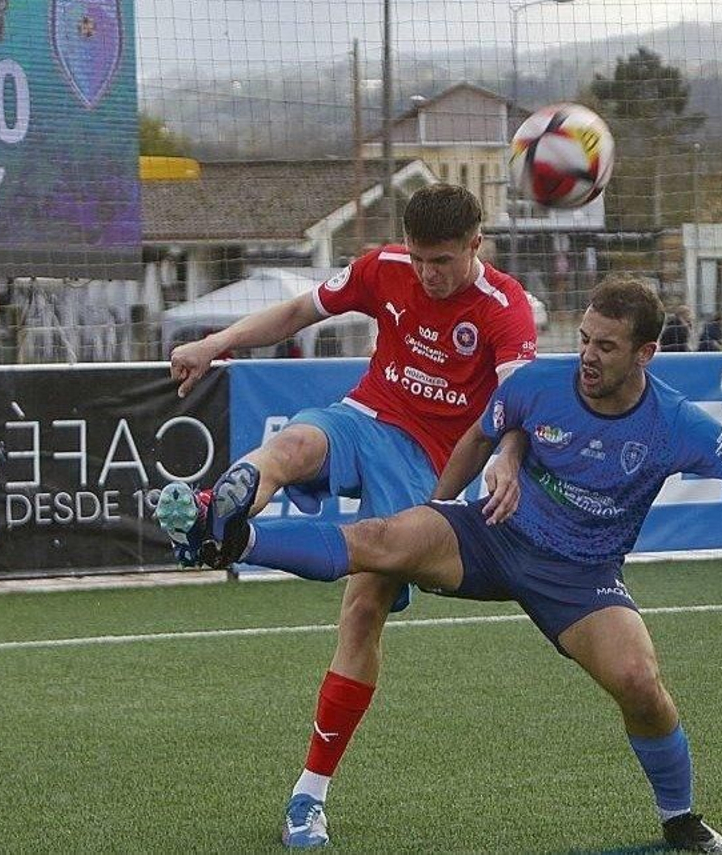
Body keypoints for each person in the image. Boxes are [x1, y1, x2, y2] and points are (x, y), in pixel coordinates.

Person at [169, 276, 722, 852]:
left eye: (607, 346)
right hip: (492, 536)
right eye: (585, 339)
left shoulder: (678, 422)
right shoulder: (538, 382)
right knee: (382, 543)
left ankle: (679, 816)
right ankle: (231, 541)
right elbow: (480, 436)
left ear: (646, 354)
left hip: (582, 576)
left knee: (640, 683)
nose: (588, 356)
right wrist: (437, 507)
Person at [158, 183, 539, 848]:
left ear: (476, 245)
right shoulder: (382, 267)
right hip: (363, 415)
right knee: (292, 445)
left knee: (364, 608)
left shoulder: (507, 309)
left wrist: (507, 456)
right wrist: (213, 343)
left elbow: (513, 403)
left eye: (442, 261)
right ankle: (213, 519)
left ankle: (309, 795)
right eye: (420, 258)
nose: (427, 273)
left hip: (429, 468)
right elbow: (296, 312)